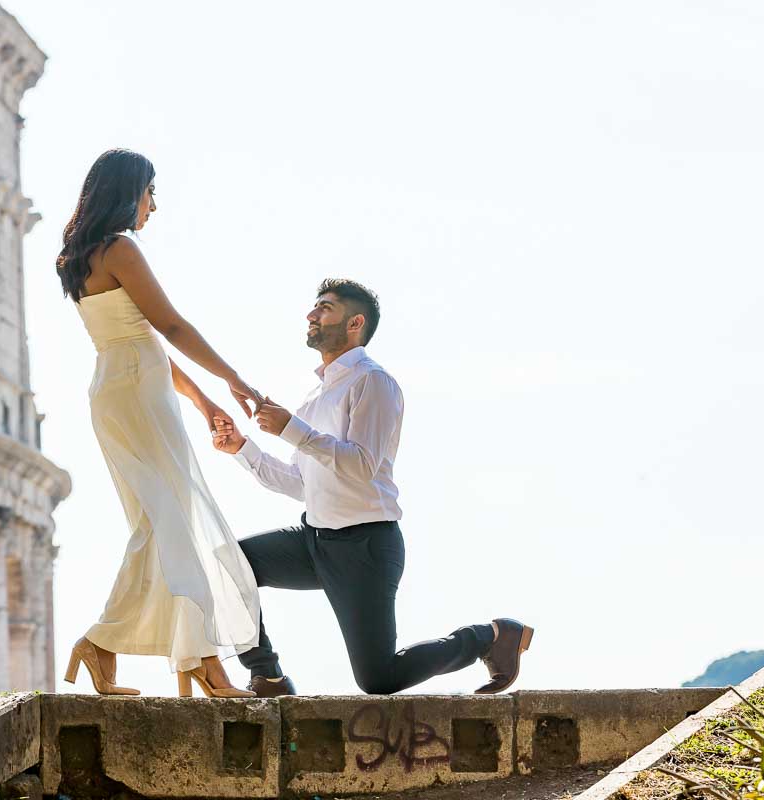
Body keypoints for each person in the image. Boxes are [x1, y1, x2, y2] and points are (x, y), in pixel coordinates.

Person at [212, 279, 534, 696]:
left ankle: (491, 637)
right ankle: (267, 675)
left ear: (355, 323)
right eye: (313, 309)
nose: (311, 316)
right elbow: (302, 484)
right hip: (315, 540)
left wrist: (291, 429)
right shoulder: (315, 397)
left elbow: (362, 464)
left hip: (365, 547)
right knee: (226, 566)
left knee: (379, 679)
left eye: (324, 308)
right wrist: (243, 448)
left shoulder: (374, 382)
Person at [57, 149, 261, 697]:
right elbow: (167, 325)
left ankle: (166, 656)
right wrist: (233, 378)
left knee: (161, 522)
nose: (154, 204)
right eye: (151, 190)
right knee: (171, 522)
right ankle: (188, 660)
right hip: (138, 391)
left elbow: (135, 337)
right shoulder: (120, 248)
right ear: (129, 192)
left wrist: (202, 400)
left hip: (118, 386)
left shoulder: (75, 256)